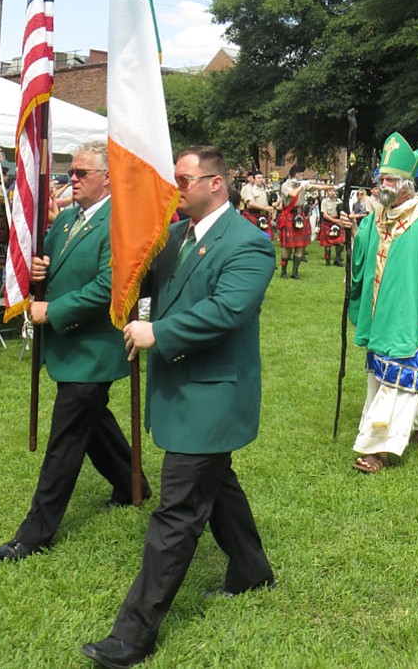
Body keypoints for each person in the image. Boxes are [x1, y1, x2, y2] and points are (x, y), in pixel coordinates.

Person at [81, 145, 275, 669]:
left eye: (184, 180)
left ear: (216, 184)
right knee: (218, 484)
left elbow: (226, 311)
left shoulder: (250, 244)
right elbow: (139, 279)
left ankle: (131, 637)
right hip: (183, 392)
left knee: (177, 512)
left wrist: (157, 331)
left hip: (211, 395)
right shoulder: (173, 237)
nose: (175, 189)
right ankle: (252, 570)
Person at [0, 142, 150, 564]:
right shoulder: (66, 223)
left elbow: (107, 288)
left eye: (81, 173)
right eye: (70, 173)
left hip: (93, 350)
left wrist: (51, 310)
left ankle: (34, 533)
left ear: (107, 177)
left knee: (65, 440)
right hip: (68, 348)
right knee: (93, 424)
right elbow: (50, 261)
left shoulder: (118, 225)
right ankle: (132, 483)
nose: (71, 179)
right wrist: (41, 267)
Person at [344, 132, 418, 474]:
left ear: (407, 184)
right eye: (381, 179)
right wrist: (353, 230)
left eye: (391, 179)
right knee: (383, 376)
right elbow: (362, 260)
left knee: (398, 378)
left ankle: (378, 449)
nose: (384, 185)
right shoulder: (375, 219)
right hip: (381, 314)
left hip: (411, 315)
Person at [277, 166, 311, 279]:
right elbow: (292, 194)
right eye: (301, 173)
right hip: (290, 215)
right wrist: (302, 186)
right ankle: (283, 271)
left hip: (300, 216)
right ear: (296, 174)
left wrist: (332, 187)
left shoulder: (302, 184)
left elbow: (316, 186)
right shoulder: (286, 185)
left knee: (299, 246)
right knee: (288, 247)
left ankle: (295, 273)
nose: (302, 176)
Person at [319, 186, 346, 266]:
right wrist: (334, 220)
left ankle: (337, 260)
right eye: (330, 191)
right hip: (328, 223)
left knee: (340, 242)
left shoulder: (339, 201)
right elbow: (324, 214)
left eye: (334, 191)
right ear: (327, 192)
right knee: (328, 244)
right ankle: (327, 261)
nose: (332, 192)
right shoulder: (324, 201)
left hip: (338, 222)